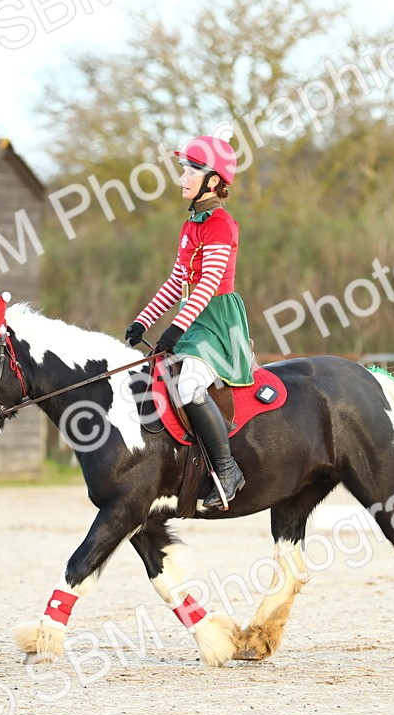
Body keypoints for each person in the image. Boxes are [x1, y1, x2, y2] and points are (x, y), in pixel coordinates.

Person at [124, 133, 252, 510]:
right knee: (154, 376)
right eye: (182, 169)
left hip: (218, 322)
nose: (182, 177)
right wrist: (142, 321)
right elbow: (177, 282)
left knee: (189, 384)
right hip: (193, 318)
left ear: (212, 181)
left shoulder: (220, 225)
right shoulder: (191, 225)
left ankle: (228, 472)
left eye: (190, 170)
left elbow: (209, 283)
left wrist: (176, 327)